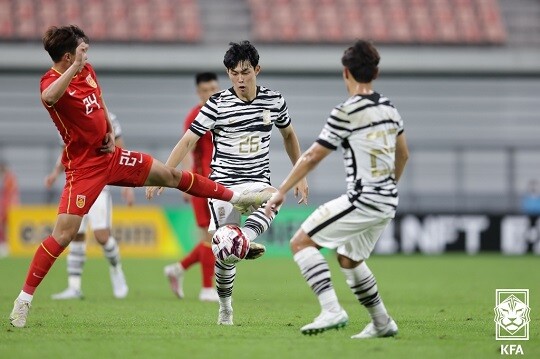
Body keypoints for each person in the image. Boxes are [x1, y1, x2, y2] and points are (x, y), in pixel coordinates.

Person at [8, 25, 269, 328]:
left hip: (113, 156)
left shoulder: (87, 69)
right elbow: (49, 98)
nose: (86, 51)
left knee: (170, 174)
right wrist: (75, 68)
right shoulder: (52, 80)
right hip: (83, 168)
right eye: (81, 49)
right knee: (64, 235)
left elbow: (101, 103)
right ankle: (23, 300)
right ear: (68, 56)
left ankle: (238, 197)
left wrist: (108, 131)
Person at [147, 41, 309, 325]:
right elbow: (188, 140)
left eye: (246, 72)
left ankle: (244, 238)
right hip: (223, 188)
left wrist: (301, 173)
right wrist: (164, 172)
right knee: (225, 256)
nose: (240, 79)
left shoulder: (274, 101)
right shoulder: (217, 104)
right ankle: (225, 307)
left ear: (257, 69)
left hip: (257, 182)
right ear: (228, 73)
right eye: (234, 73)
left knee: (276, 196)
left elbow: (289, 136)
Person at [265, 40, 409, 339]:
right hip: (387, 201)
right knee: (349, 259)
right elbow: (403, 154)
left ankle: (331, 310)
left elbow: (313, 155)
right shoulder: (389, 108)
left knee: (301, 243)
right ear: (376, 73)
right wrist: (387, 187)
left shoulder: (347, 111)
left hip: (364, 199)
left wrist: (281, 190)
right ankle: (382, 322)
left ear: (346, 73)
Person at [44, 112, 134, 299]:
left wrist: (128, 185)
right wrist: (55, 173)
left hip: (99, 185)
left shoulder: (106, 116)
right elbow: (66, 152)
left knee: (102, 236)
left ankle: (117, 271)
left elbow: (119, 149)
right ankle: (74, 287)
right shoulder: (67, 117)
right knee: (75, 235)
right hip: (76, 184)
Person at [164, 72, 220, 302]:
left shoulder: (224, 111)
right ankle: (207, 289)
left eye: (214, 89)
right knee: (210, 238)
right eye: (205, 90)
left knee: (218, 238)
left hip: (222, 182)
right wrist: (187, 184)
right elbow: (186, 148)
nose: (210, 94)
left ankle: (177, 269)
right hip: (201, 183)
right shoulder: (194, 116)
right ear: (198, 92)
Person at [0, 159, 19, 258]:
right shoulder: (8, 178)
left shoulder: (9, 178)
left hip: (8, 205)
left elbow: (11, 193)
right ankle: (5, 243)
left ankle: (6, 244)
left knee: (6, 225)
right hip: (7, 203)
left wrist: (11, 204)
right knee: (4, 224)